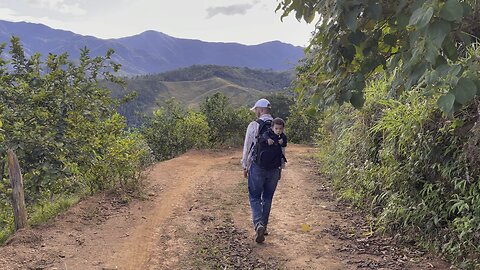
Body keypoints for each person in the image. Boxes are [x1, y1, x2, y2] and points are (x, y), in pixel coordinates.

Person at [241, 98, 281, 244]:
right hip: (274, 168)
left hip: (257, 167)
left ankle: (258, 224)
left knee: (255, 196)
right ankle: (263, 226)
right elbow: (281, 148)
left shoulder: (254, 125)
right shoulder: (277, 125)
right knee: (268, 198)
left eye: (256, 109)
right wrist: (280, 168)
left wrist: (245, 166)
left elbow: (247, 148)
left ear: (261, 109)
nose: (256, 112)